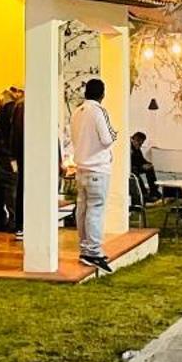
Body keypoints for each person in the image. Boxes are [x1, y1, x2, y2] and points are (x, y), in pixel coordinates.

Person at [68, 77, 118, 273]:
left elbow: (73, 137)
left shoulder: (77, 112)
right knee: (96, 209)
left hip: (81, 167)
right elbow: (107, 138)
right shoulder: (98, 111)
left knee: (83, 209)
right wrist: (115, 134)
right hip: (98, 168)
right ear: (102, 94)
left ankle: (85, 247)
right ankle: (93, 251)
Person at [0, 87, 25, 234]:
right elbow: (14, 134)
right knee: (12, 185)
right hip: (6, 154)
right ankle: (13, 221)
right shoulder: (14, 108)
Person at [129, 130, 158, 209]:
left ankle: (154, 191)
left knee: (150, 169)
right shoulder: (128, 148)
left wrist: (148, 164)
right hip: (131, 168)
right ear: (135, 140)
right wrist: (141, 166)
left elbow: (141, 159)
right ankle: (143, 194)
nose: (140, 145)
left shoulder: (137, 148)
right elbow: (130, 162)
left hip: (136, 166)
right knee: (135, 173)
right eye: (140, 143)